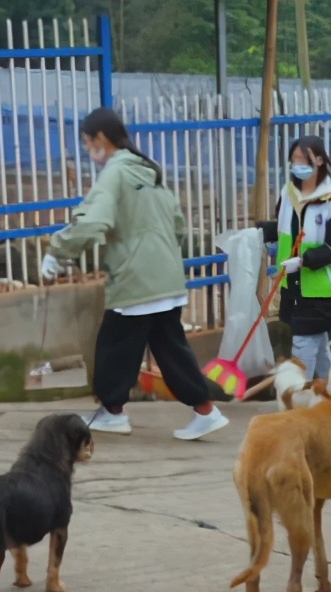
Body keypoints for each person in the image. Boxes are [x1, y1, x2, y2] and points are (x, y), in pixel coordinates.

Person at [40, 107, 229, 440]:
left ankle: (112, 412)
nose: (88, 150)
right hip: (167, 278)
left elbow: (92, 221)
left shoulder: (115, 173)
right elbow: (178, 225)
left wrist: (58, 252)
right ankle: (205, 410)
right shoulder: (148, 170)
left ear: (100, 138)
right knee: (171, 350)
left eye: (87, 142)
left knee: (114, 347)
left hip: (136, 280)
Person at [256, 136, 331, 386]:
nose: (296, 164)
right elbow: (284, 229)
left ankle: (299, 396)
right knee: (316, 344)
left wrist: (304, 261)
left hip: (321, 292)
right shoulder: (289, 195)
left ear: (319, 160)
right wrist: (260, 231)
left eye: (302, 158)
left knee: (303, 348)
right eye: (294, 159)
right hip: (293, 286)